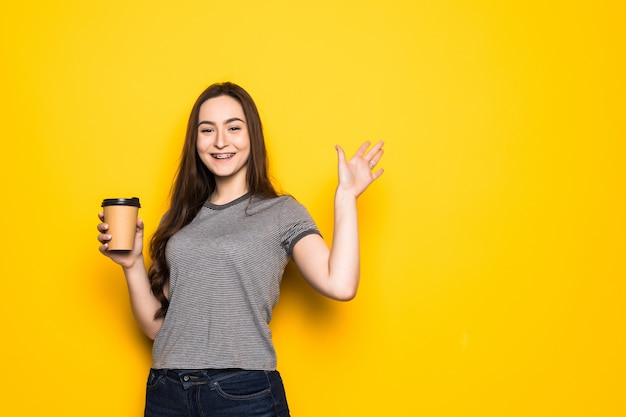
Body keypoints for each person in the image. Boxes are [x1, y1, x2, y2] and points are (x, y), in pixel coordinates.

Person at [97, 82, 384, 417]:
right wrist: (131, 265)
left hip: (242, 394)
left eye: (234, 127)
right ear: (196, 142)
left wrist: (346, 198)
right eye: (208, 130)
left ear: (252, 137)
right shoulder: (177, 219)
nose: (221, 141)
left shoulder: (280, 212)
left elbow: (341, 284)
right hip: (167, 392)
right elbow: (158, 328)